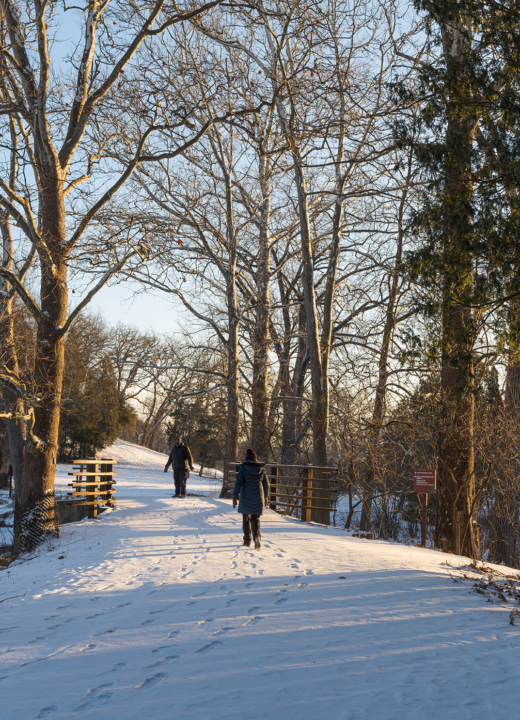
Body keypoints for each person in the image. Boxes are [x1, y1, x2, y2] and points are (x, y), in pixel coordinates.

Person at [232, 448, 269, 549]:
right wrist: (266, 497)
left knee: (246, 518)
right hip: (258, 495)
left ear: (247, 458)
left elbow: (238, 482)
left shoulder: (244, 467)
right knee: (255, 518)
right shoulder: (261, 468)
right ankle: (257, 539)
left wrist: (235, 496)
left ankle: (247, 540)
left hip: (246, 495)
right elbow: (266, 484)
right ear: (255, 457)